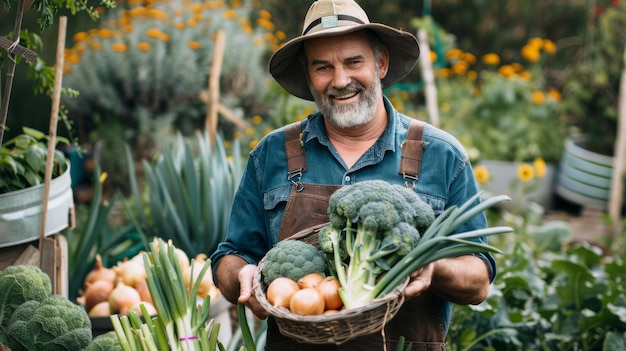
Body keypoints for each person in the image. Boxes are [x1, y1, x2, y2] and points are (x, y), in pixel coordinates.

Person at [210, 0, 496, 350]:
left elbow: (479, 278)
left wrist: (434, 268)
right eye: (323, 67)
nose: (340, 80)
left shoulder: (441, 155)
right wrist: (240, 275)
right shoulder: (272, 154)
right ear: (308, 76)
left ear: (381, 63)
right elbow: (231, 256)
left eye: (353, 62)